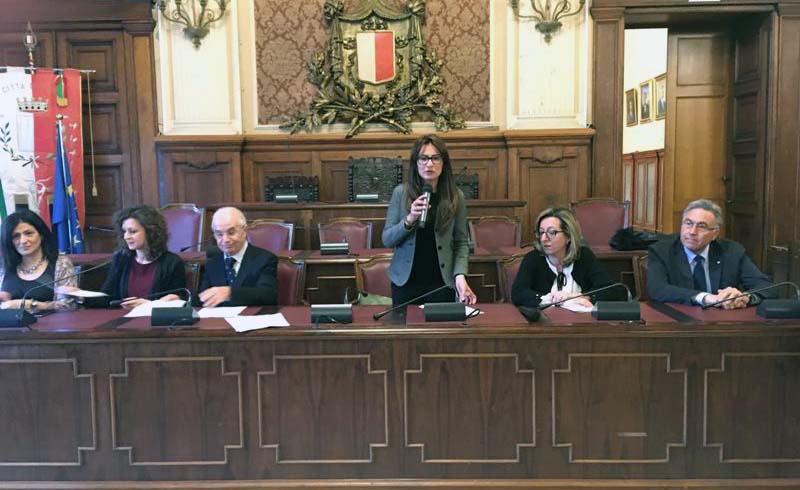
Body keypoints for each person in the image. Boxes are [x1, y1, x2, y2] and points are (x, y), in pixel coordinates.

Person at [382, 134, 477, 306]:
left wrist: (460, 275)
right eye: (424, 158)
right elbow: (387, 239)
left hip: (441, 283)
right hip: (406, 283)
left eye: (435, 158)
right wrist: (410, 219)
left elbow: (461, 243)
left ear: (443, 163)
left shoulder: (456, 196)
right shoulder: (401, 193)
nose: (429, 164)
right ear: (415, 162)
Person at [647, 199, 773, 308]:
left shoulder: (731, 251)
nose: (692, 232)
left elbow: (766, 286)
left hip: (722, 322)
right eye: (688, 223)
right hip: (678, 320)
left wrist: (745, 297)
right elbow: (657, 289)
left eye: (701, 226)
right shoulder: (662, 251)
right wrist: (705, 298)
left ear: (715, 234)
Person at [511, 207, 626, 308]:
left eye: (552, 232)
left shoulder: (584, 256)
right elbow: (518, 293)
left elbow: (613, 291)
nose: (544, 239)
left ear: (568, 236)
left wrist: (584, 297)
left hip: (580, 322)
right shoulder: (533, 259)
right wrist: (548, 298)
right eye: (541, 233)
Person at [99, 205, 186, 308]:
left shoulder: (172, 263)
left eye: (132, 231)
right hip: (123, 317)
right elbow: (106, 297)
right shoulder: (121, 259)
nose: (126, 237)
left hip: (153, 317)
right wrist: (82, 297)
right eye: (124, 231)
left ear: (150, 232)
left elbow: (178, 300)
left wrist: (149, 305)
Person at [198, 206, 278, 307]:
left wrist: (230, 293)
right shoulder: (212, 263)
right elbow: (203, 297)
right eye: (219, 234)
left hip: (251, 315)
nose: (225, 239)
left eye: (231, 232)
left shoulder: (264, 259)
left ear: (244, 231)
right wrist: (183, 300)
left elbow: (268, 295)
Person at [0, 209, 76, 311]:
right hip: (9, 321)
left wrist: (30, 305)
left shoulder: (61, 263)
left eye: (29, 233)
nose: (23, 241)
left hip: (49, 321)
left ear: (41, 235)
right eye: (16, 236)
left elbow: (69, 306)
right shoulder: (4, 267)